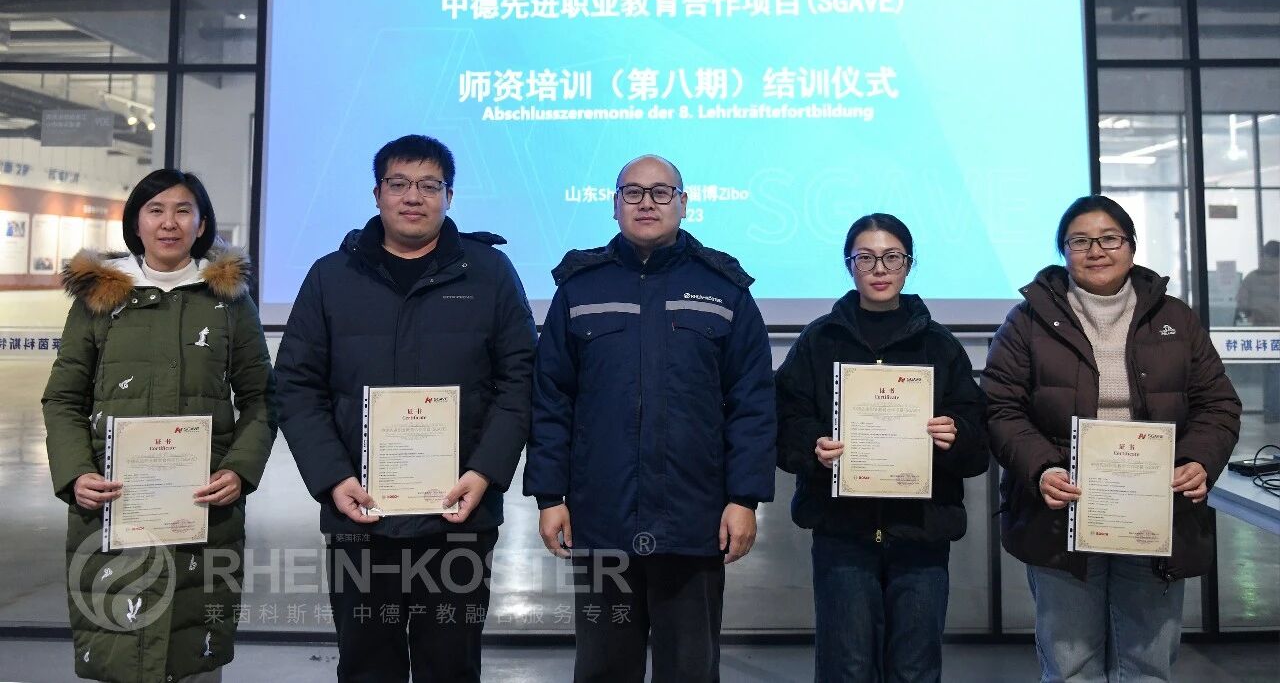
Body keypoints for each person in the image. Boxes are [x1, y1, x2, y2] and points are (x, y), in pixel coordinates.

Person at [272, 134, 535, 683]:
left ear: (449, 197)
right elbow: (296, 386)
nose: (413, 197)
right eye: (399, 184)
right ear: (377, 194)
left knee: (451, 665)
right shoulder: (331, 276)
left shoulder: (489, 273)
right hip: (359, 515)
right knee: (367, 664)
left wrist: (485, 472)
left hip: (459, 513)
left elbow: (520, 381)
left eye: (429, 185)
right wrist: (333, 478)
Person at [523, 154, 775, 683]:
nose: (646, 203)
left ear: (684, 204)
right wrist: (549, 497)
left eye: (661, 193)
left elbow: (752, 402)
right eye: (632, 192)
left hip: (694, 519)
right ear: (614, 205)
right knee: (603, 668)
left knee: (689, 669)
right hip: (602, 518)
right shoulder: (581, 289)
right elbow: (552, 400)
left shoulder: (723, 289)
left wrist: (744, 498)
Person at [984, 195, 1241, 683]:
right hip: (1061, 511)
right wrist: (1042, 469)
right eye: (1080, 241)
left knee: (1147, 666)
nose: (1096, 251)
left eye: (1109, 239)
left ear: (1131, 246)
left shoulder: (1176, 318)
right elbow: (1000, 408)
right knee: (1070, 667)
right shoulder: (1027, 321)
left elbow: (1218, 404)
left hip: (1156, 509)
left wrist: (1198, 460)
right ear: (1063, 251)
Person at [42, 169, 275, 683]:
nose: (169, 223)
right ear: (136, 223)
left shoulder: (228, 302)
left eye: (183, 210)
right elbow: (63, 398)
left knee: (193, 652)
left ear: (202, 224)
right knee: (120, 649)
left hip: (203, 505)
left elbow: (261, 397)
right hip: (113, 506)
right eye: (156, 210)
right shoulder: (100, 300)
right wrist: (76, 473)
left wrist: (239, 470)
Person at [774, 213, 988, 683]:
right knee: (846, 667)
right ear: (848, 265)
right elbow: (786, 418)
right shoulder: (819, 340)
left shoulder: (939, 344)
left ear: (909, 264)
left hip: (921, 533)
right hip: (842, 533)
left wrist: (955, 435)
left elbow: (977, 438)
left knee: (915, 668)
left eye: (892, 257)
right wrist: (813, 446)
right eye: (865, 258)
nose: (879, 269)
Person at [1236, 239, 1278, 327]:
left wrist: (1251, 315)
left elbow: (1241, 303)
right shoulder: (1251, 277)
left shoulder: (1251, 277)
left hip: (1259, 328)